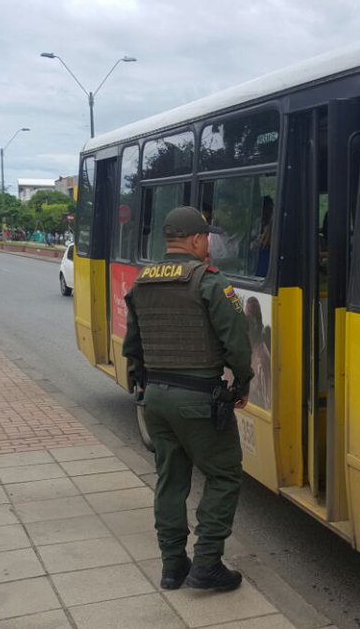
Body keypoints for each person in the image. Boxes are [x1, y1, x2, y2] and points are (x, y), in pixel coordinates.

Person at [123, 206, 253, 593]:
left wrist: (142, 387)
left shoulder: (142, 282)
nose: (208, 244)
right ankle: (207, 563)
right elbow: (236, 343)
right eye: (206, 238)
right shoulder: (208, 281)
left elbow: (133, 345)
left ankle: (173, 566)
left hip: (156, 398)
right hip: (198, 398)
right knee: (224, 474)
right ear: (196, 240)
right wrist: (242, 384)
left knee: (170, 479)